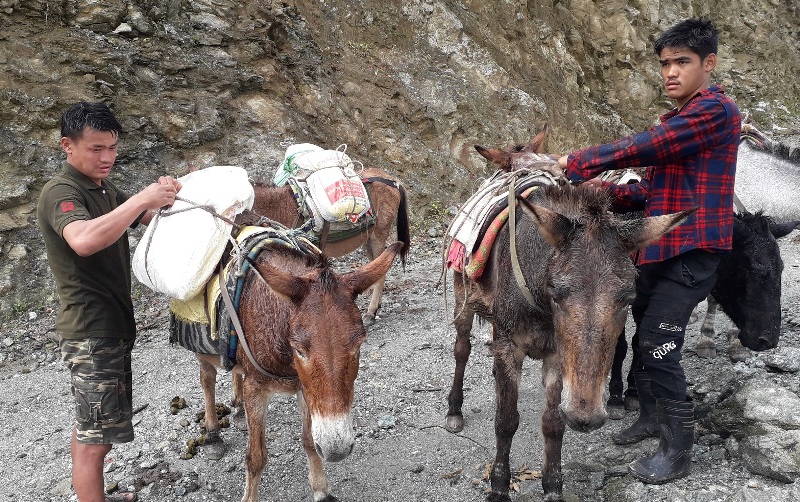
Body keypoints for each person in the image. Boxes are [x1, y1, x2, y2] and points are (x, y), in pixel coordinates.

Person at [556, 18, 741, 484]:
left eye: (683, 62)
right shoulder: (679, 119)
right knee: (641, 336)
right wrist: (606, 193)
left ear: (709, 64)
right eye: (665, 64)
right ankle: (652, 417)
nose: (671, 72)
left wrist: (580, 162)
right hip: (659, 250)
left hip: (694, 250)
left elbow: (649, 148)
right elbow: (653, 192)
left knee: (659, 347)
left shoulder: (715, 112)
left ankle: (677, 449)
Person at [36, 101, 182, 502]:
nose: (107, 158)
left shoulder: (103, 188)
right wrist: (140, 199)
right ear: (68, 145)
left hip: (111, 327)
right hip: (90, 331)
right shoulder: (61, 191)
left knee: (94, 427)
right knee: (96, 440)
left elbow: (147, 219)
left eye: (112, 148)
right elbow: (83, 240)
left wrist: (167, 198)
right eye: (96, 149)